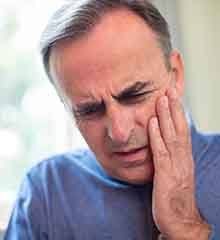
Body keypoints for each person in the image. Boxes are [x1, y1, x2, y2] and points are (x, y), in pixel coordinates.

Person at [4, 0, 220, 239]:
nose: (119, 132)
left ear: (176, 76)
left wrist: (186, 227)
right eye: (89, 110)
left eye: (135, 95)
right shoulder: (45, 192)